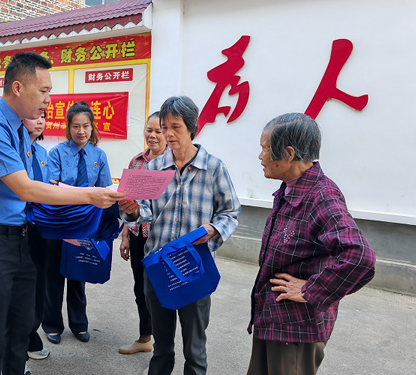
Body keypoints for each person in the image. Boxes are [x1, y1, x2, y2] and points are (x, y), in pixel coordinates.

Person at [0, 52, 125, 375]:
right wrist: (90, 195)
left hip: (19, 241)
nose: (49, 99)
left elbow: (45, 189)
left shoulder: (20, 133)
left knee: (21, 329)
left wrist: (104, 202)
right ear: (18, 88)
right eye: (43, 91)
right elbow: (26, 189)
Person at [246, 113, 376, 375]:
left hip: (297, 329)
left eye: (264, 148)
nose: (260, 157)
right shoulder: (291, 189)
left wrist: (311, 289)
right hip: (274, 320)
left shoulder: (321, 196)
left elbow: (360, 257)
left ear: (289, 153)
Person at [119, 96, 240, 375]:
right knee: (162, 347)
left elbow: (230, 212)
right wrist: (132, 212)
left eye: (175, 127)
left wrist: (213, 229)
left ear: (192, 128)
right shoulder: (152, 168)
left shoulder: (214, 168)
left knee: (194, 350)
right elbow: (144, 213)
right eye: (163, 128)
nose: (168, 135)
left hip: (194, 268)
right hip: (158, 266)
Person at [42, 101, 113, 345]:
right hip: (58, 221)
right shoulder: (57, 153)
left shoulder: (98, 155)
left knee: (78, 273)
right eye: (75, 126)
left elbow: (104, 189)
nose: (81, 131)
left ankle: (79, 324)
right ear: (68, 128)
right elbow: (50, 187)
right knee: (53, 275)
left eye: (85, 126)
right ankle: (51, 324)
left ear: (92, 127)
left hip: (85, 224)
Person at [118, 111, 165, 355]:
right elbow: (129, 201)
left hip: (163, 239)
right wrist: (125, 235)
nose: (153, 135)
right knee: (140, 289)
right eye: (149, 130)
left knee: (158, 292)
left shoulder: (173, 162)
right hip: (138, 234)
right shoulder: (137, 161)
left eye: (158, 131)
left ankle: (161, 350)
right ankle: (145, 338)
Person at [22, 113, 58, 372]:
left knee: (39, 284)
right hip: (19, 227)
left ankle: (30, 333)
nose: (40, 121)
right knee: (21, 289)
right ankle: (21, 342)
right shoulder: (15, 150)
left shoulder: (43, 152)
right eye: (33, 117)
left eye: (43, 117)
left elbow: (47, 188)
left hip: (42, 228)